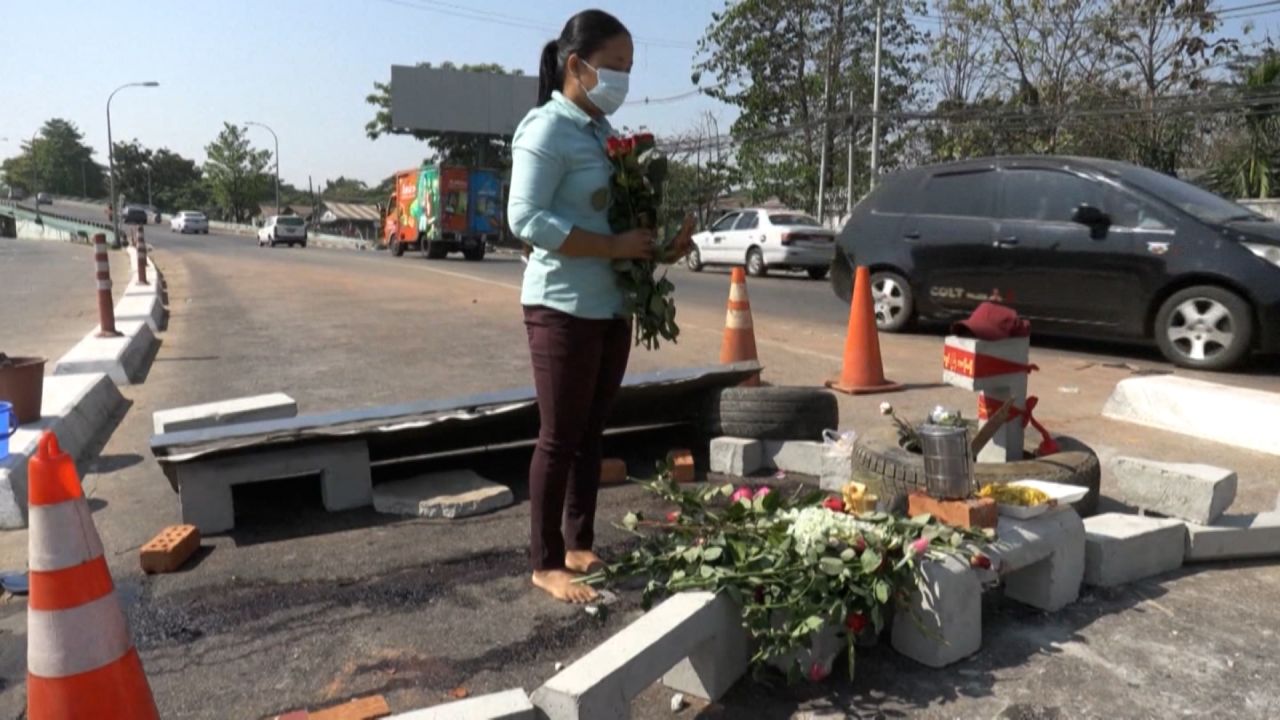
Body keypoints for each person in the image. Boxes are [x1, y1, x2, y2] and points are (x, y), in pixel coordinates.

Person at [508, 9, 693, 603]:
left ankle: (579, 541)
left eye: (628, 69)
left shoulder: (599, 135)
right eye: (613, 67)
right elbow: (525, 219)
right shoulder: (546, 129)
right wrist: (611, 245)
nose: (622, 80)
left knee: (591, 431)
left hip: (610, 305)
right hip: (561, 305)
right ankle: (543, 561)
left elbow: (612, 220)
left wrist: (661, 247)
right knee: (559, 435)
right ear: (576, 66)